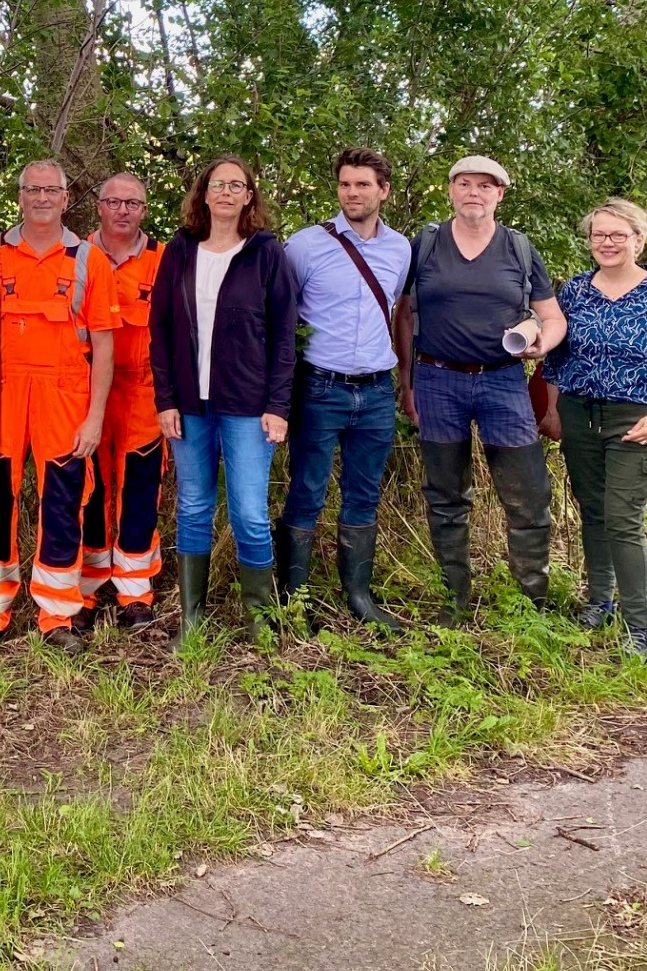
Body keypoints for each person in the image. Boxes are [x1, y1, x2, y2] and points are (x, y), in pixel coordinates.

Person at [0, 161, 119, 652]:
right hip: (1, 395)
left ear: (67, 199)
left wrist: (95, 417)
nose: (42, 197)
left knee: (64, 505)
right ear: (19, 196)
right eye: (32, 189)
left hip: (67, 399)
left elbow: (105, 348)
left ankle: (57, 616)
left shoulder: (90, 260)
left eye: (52, 190)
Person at [395, 155, 566, 620]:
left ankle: (531, 604)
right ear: (450, 191)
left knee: (527, 494)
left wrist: (540, 345)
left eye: (485, 186)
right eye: (464, 184)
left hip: (503, 383)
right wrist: (405, 381)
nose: (474, 192)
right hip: (436, 381)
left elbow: (551, 316)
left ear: (499, 194)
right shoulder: (425, 245)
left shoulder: (518, 248)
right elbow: (404, 314)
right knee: (446, 495)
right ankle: (455, 600)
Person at [149, 156, 297, 645]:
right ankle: (192, 619)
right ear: (204, 194)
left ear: (250, 196)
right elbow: (161, 331)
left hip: (249, 405)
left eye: (238, 185)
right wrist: (166, 399)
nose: (228, 193)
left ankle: (260, 618)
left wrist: (278, 406)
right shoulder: (181, 252)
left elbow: (282, 337)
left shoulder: (266, 253)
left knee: (250, 513)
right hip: (190, 404)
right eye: (218, 185)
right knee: (192, 507)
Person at [543, 199, 647, 658]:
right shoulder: (574, 291)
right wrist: (551, 411)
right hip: (579, 412)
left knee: (623, 517)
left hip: (638, 417)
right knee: (592, 509)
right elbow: (558, 359)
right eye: (598, 235)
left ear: (639, 239)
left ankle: (638, 627)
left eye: (617, 235)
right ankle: (599, 602)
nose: (607, 243)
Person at [278, 147, 409, 630]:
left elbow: (398, 312)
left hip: (376, 392)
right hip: (319, 387)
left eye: (363, 185)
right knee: (307, 490)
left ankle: (358, 595)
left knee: (363, 494)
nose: (352, 193)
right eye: (345, 184)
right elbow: (283, 317)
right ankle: (294, 599)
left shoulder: (400, 249)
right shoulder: (306, 245)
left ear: (383, 191)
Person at [83, 173, 165, 632]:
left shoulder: (162, 260)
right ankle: (89, 586)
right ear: (98, 206)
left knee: (139, 489)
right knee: (88, 489)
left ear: (144, 210)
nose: (122, 211)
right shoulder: (78, 256)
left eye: (132, 203)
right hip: (86, 390)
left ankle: (135, 592)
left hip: (142, 391)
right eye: (113, 201)